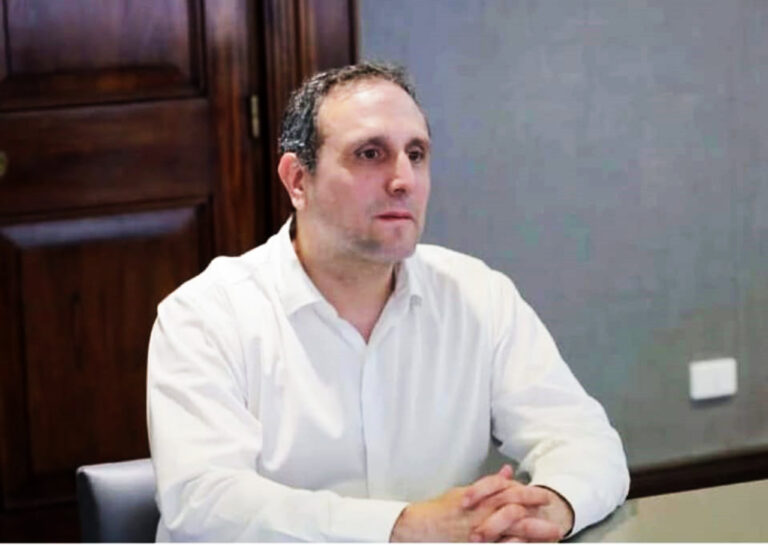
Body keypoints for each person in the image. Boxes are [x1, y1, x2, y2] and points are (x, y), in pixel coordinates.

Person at [147, 62, 629, 542]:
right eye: (370, 154)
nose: (404, 180)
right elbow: (205, 504)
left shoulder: (479, 295)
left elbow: (583, 440)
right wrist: (403, 528)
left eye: (416, 154)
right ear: (297, 180)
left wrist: (547, 509)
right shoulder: (204, 316)